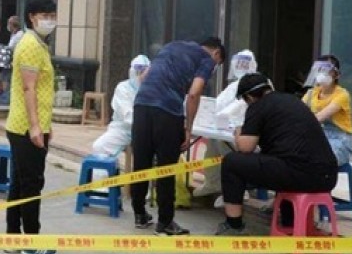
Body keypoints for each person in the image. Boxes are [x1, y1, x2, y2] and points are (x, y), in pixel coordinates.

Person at [215, 73, 338, 236]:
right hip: (328, 176)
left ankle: (233, 225)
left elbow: (245, 147)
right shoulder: (293, 101)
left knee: (232, 162)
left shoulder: (257, 107)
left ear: (249, 97)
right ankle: (291, 222)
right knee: (281, 160)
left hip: (299, 175)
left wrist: (238, 131)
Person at [130, 36, 225, 236]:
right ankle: (165, 223)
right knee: (166, 167)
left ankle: (140, 214)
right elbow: (194, 93)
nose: (214, 68)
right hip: (167, 111)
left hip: (141, 105)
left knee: (141, 162)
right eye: (218, 63)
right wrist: (188, 128)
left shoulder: (171, 47)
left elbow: (144, 77)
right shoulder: (206, 59)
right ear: (216, 53)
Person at [2, 0, 58, 254]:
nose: (50, 20)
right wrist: (36, 126)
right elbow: (29, 88)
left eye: (52, 16)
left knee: (19, 183)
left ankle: (13, 237)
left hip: (27, 125)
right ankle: (31, 241)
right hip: (26, 127)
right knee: (31, 184)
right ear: (32, 17)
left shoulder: (37, 43)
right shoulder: (30, 45)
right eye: (45, 16)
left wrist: (46, 124)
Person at [194, 49, 257, 202]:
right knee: (213, 142)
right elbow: (219, 105)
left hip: (250, 134)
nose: (241, 67)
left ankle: (237, 189)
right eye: (239, 63)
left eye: (245, 64)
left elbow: (241, 107)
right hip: (227, 130)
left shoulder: (258, 84)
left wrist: (225, 116)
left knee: (224, 146)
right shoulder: (233, 86)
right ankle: (213, 182)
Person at [91, 55, 150, 158]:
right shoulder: (123, 88)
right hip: (123, 129)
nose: (142, 76)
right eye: (139, 72)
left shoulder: (153, 90)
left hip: (148, 131)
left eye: (145, 72)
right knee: (99, 147)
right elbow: (127, 115)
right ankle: (108, 168)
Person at [302, 55, 352, 167]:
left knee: (319, 161)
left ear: (336, 74)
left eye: (325, 70)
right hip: (319, 138)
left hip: (339, 142)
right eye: (319, 70)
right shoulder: (311, 93)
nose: (321, 73)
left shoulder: (342, 95)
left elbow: (319, 118)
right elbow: (298, 112)